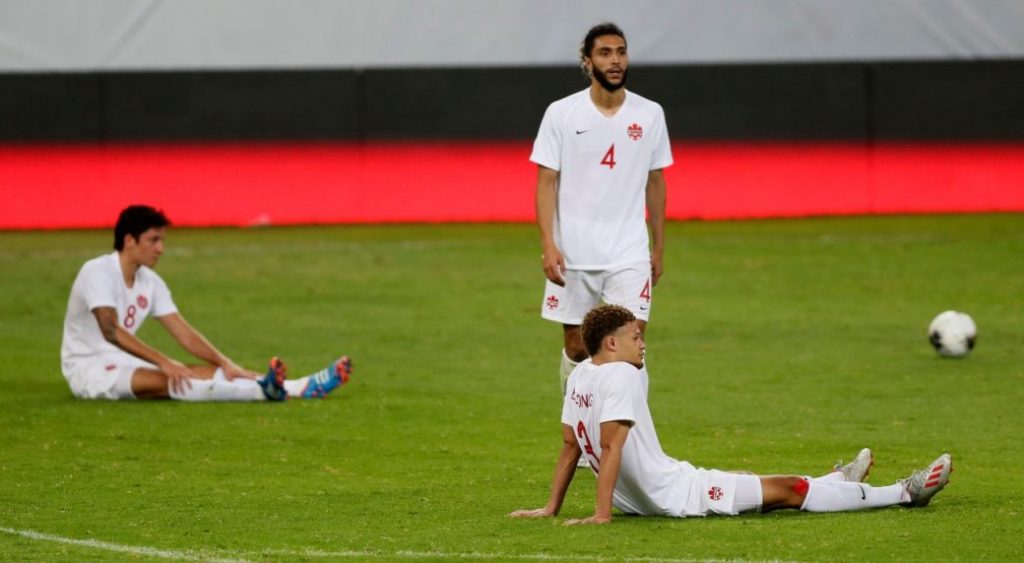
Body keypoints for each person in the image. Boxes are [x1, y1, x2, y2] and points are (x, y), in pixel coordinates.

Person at [509, 304, 953, 524]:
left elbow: (570, 447)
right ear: (611, 344)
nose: (642, 343)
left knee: (753, 482)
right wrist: (602, 515)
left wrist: (551, 508)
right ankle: (903, 493)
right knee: (790, 490)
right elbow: (610, 446)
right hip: (673, 496)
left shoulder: (582, 376)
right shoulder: (621, 376)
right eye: (634, 336)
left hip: (654, 493)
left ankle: (837, 483)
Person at [60, 205, 353, 402]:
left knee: (198, 371)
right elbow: (110, 330)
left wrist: (225, 363)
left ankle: (297, 387)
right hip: (88, 370)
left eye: (162, 240)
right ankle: (265, 393)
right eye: (153, 240)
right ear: (128, 240)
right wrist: (164, 361)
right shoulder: (97, 271)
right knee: (174, 381)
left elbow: (184, 333)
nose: (161, 248)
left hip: (125, 361)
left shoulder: (150, 281)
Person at [532, 22, 673, 396]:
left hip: (628, 250)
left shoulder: (650, 114)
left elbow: (655, 181)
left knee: (631, 344)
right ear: (587, 61)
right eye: (605, 53)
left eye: (621, 52)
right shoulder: (561, 114)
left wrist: (657, 247)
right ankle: (578, 429)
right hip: (573, 252)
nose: (615, 61)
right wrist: (548, 243)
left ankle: (626, 439)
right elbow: (546, 181)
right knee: (578, 348)